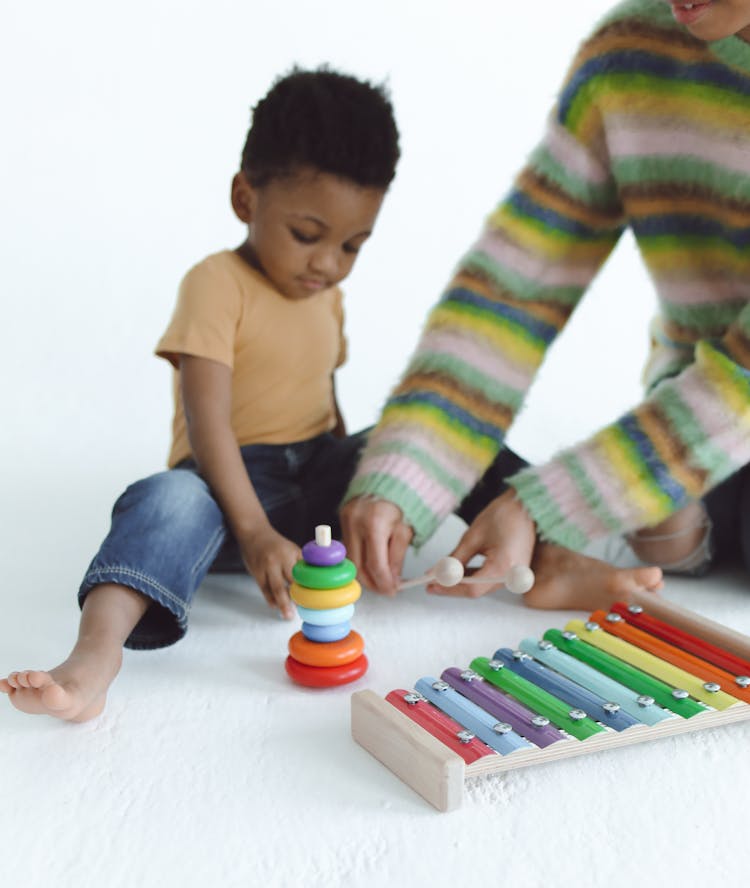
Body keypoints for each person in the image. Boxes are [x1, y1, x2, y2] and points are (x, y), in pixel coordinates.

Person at [1, 67, 400, 721]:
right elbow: (205, 415)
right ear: (246, 198)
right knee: (167, 497)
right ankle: (93, 659)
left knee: (418, 435)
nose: (328, 263)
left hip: (311, 490)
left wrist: (369, 484)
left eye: (353, 245)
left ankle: (550, 544)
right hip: (227, 492)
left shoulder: (329, 299)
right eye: (308, 235)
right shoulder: (216, 283)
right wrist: (253, 529)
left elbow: (329, 407)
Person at [342, 0, 750, 611]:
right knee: (671, 526)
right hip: (694, 395)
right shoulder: (629, 55)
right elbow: (516, 284)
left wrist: (542, 505)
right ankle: (675, 494)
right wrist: (406, 471)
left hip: (727, 398)